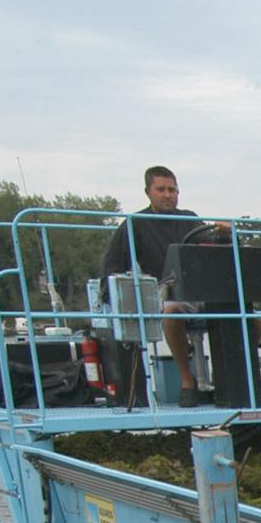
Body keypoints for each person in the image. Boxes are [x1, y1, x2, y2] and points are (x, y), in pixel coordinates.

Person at [100, 165, 232, 406]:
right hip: (167, 293)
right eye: (161, 189)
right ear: (148, 192)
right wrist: (115, 298)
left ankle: (232, 378)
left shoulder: (189, 219)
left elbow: (216, 253)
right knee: (170, 311)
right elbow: (112, 265)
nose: (168, 195)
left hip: (202, 291)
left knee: (252, 319)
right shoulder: (136, 224)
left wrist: (224, 236)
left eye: (172, 190)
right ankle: (187, 380)